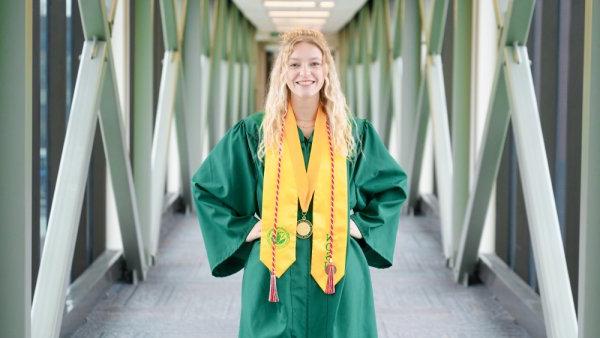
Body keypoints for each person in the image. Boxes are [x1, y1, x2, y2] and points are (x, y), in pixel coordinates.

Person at [191, 28, 407, 338]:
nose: (304, 72)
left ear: (326, 70)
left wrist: (358, 226)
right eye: (294, 64)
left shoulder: (353, 134)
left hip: (338, 270)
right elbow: (208, 187)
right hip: (274, 273)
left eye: (314, 63)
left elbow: (391, 187)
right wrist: (250, 230)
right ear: (282, 71)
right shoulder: (255, 133)